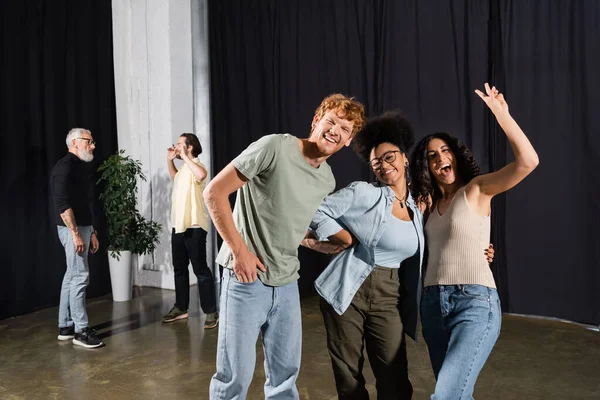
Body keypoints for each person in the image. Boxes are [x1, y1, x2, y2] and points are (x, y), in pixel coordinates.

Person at [303, 113, 494, 399]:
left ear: (405, 159)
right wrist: (340, 237)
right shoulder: (364, 192)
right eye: (376, 162)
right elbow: (317, 210)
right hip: (346, 288)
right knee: (349, 377)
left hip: (389, 294)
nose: (383, 165)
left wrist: (482, 250)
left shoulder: (419, 209)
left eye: (389, 157)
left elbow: (443, 239)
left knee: (394, 379)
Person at [203, 94, 365, 399]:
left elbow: (290, 220)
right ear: (317, 121)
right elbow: (214, 193)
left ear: (348, 141)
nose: (335, 130)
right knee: (234, 379)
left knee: (284, 379)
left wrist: (314, 243)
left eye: (345, 129)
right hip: (246, 279)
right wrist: (240, 253)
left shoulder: (326, 179)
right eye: (331, 121)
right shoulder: (275, 146)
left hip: (288, 281)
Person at [411, 83, 539, 400]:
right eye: (431, 156)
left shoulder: (478, 189)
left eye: (445, 151)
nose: (440, 157)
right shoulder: (425, 208)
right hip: (431, 306)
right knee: (458, 395)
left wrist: (501, 114)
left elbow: (528, 162)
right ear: (426, 167)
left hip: (473, 303)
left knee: (447, 396)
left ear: (456, 156)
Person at [50, 128, 104, 349]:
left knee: (72, 274)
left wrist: (91, 231)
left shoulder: (80, 167)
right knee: (80, 276)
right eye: (88, 141)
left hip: (82, 227)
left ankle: (65, 326)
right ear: (74, 142)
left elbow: (84, 203)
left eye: (92, 141)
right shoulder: (63, 168)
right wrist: (75, 234)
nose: (93, 145)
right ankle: (81, 331)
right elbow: (63, 205)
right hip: (70, 229)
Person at [162, 133, 218, 329]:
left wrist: (183, 156)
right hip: (179, 225)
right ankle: (181, 307)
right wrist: (171, 161)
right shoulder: (184, 169)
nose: (176, 147)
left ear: (190, 147)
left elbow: (202, 176)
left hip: (194, 227)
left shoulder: (198, 166)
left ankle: (211, 311)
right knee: (179, 269)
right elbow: (175, 178)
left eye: (180, 144)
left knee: (200, 270)